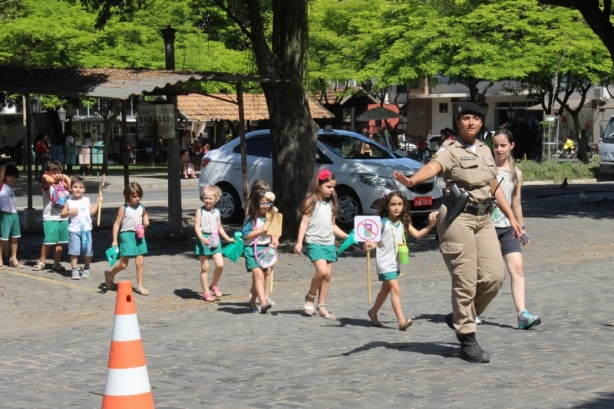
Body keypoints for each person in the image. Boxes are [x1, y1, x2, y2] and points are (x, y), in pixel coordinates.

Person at [393, 102, 522, 363]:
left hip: (484, 218)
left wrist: (512, 218)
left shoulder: (486, 150)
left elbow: (494, 185)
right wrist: (412, 180)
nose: (471, 122)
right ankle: (467, 336)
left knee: (494, 277)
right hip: (457, 218)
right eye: (466, 118)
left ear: (481, 122)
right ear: (458, 122)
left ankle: (458, 317)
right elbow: (433, 167)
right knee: (465, 278)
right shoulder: (450, 149)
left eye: (476, 118)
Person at [364, 190, 438, 331]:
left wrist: (430, 226)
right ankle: (401, 321)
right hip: (385, 263)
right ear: (386, 206)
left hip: (395, 262)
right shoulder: (381, 223)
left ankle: (373, 312)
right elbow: (374, 242)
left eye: (400, 204)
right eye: (393, 204)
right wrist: (369, 246)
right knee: (395, 289)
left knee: (385, 290)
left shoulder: (403, 222)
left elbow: (417, 234)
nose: (397, 207)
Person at [490, 129, 541, 329]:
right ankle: (472, 311)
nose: (499, 149)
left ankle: (522, 314)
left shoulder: (516, 172)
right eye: (495, 145)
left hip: (508, 228)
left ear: (512, 146)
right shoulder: (487, 170)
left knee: (517, 269)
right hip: (487, 227)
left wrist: (522, 227)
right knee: (489, 275)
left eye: (503, 145)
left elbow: (516, 203)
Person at [294, 168, 349, 320]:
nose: (332, 190)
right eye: (329, 186)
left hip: (328, 243)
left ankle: (322, 306)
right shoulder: (311, 201)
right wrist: (299, 242)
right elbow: (304, 223)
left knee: (327, 276)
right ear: (319, 185)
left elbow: (332, 225)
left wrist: (346, 235)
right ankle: (310, 296)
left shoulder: (331, 204)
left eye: (333, 187)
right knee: (322, 272)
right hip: (314, 242)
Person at [104, 182, 150, 295]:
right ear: (128, 196)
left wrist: (146, 220)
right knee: (123, 265)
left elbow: (144, 214)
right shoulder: (123, 209)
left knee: (140, 262)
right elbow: (116, 224)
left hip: (139, 236)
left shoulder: (141, 207)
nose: (137, 198)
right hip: (126, 236)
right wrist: (114, 240)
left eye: (139, 196)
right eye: (134, 196)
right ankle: (110, 275)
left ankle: (140, 286)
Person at [195, 185, 234, 302]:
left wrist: (227, 238)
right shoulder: (200, 211)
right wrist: (202, 238)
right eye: (205, 198)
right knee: (205, 267)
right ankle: (206, 292)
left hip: (215, 239)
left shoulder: (217, 212)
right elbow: (197, 227)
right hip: (204, 240)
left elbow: (219, 227)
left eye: (210, 198)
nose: (207, 200)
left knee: (220, 264)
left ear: (216, 199)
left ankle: (214, 284)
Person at [242, 189, 278, 314]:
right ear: (256, 204)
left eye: (268, 204)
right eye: (262, 204)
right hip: (251, 249)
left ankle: (252, 303)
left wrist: (274, 240)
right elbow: (245, 235)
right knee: (258, 275)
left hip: (264, 249)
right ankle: (263, 303)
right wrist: (261, 230)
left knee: (260, 277)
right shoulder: (251, 218)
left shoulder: (270, 217)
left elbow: (273, 231)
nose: (265, 206)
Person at [60, 176, 103, 280]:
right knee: (74, 251)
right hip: (74, 231)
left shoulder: (86, 200)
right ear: (70, 188)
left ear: (84, 189)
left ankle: (87, 267)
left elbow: (92, 212)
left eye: (80, 187)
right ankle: (74, 270)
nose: (78, 189)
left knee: (88, 251)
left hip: (86, 230)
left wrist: (98, 203)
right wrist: (69, 212)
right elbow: (62, 214)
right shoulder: (69, 202)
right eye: (75, 187)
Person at [33, 161, 72, 272]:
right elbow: (49, 180)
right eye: (54, 172)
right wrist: (46, 175)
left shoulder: (62, 183)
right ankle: (42, 262)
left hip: (63, 217)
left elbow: (71, 185)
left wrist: (64, 176)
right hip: (50, 217)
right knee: (48, 242)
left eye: (59, 172)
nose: (57, 175)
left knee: (60, 242)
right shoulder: (47, 183)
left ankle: (56, 262)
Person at [0, 164, 23, 269]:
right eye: (10, 176)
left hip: (14, 214)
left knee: (15, 238)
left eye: (14, 177)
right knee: (3, 239)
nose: (12, 179)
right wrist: (7, 164)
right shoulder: (1, 185)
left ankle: (13, 258)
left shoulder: (10, 188)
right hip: (4, 214)